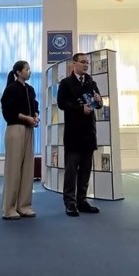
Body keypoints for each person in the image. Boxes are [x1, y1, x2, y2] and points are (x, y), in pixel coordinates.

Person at [57, 53, 102, 217]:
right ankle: (70, 202)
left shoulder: (91, 82)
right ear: (74, 64)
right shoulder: (66, 83)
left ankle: (82, 200)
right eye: (83, 62)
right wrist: (79, 108)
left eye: (87, 62)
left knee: (86, 168)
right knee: (71, 169)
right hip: (73, 132)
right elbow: (62, 103)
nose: (86, 65)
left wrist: (99, 100)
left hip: (89, 132)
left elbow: (98, 104)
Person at [0, 61, 39, 220]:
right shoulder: (11, 89)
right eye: (27, 69)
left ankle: (24, 206)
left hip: (29, 129)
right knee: (13, 169)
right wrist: (26, 118)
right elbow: (8, 110)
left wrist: (35, 116)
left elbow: (35, 106)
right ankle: (9, 208)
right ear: (18, 72)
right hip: (15, 128)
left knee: (28, 169)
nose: (29, 71)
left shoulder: (30, 89)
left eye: (29, 69)